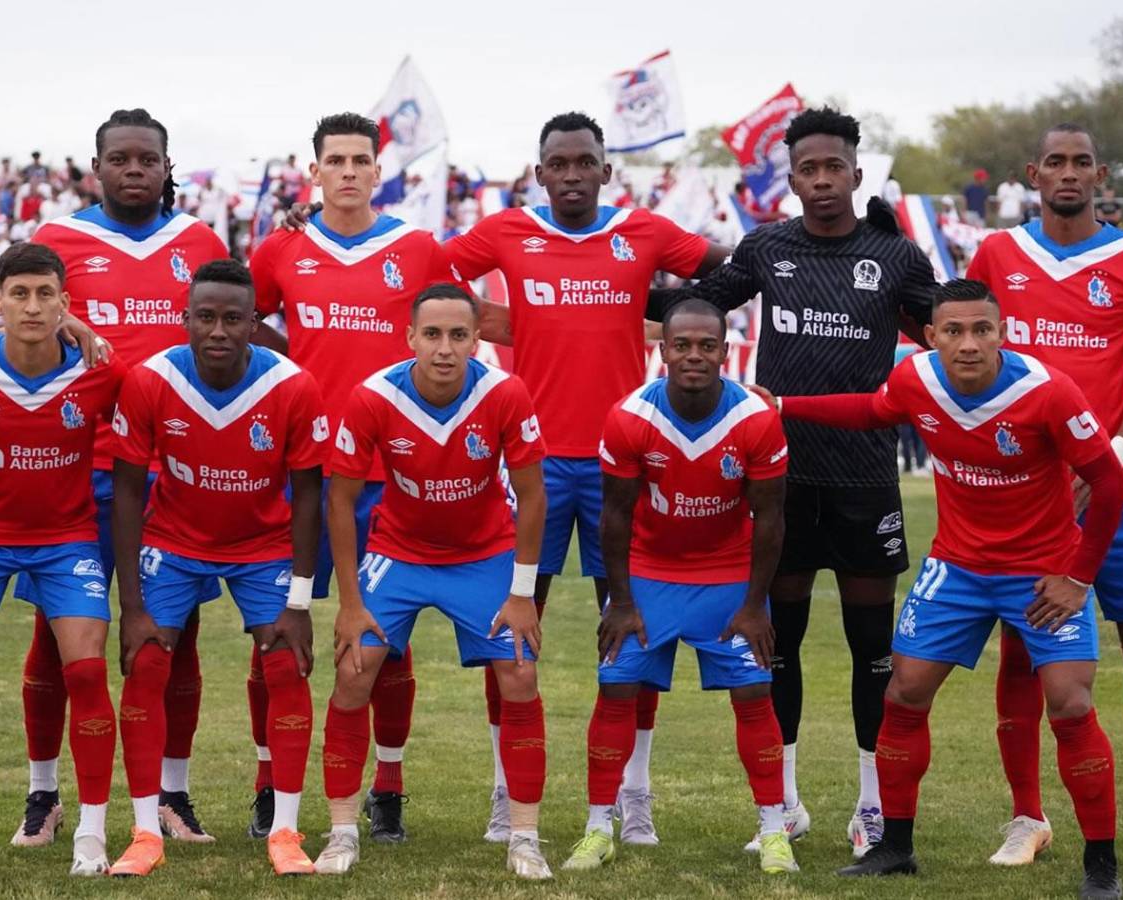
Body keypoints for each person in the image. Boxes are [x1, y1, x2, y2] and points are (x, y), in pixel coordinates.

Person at [760, 278, 1123, 899]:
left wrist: (1077, 577)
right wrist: (784, 405)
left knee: (1069, 703)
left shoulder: (1047, 392)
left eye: (982, 330)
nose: (969, 343)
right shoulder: (916, 381)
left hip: (1042, 571)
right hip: (958, 567)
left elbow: (1109, 484)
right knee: (904, 692)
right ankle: (895, 849)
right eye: (954, 331)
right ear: (931, 337)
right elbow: (873, 411)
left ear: (1001, 333)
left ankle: (1101, 868)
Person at [645, 106, 936, 858]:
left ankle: (873, 808)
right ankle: (789, 803)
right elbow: (694, 307)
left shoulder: (895, 256)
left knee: (873, 644)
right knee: (779, 641)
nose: (821, 180)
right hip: (779, 481)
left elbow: (953, 327)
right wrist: (607, 287)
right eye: (807, 168)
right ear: (792, 177)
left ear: (856, 172)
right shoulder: (767, 247)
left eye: (833, 166)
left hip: (867, 480)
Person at [443, 111, 729, 843]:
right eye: (558, 164)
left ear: (607, 171)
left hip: (622, 464)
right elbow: (426, 275)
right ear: (539, 174)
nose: (572, 174)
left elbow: (725, 274)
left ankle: (633, 794)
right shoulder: (507, 232)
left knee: (633, 624)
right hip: (530, 461)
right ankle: (508, 795)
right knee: (510, 623)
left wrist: (652, 312)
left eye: (584, 162)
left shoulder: (646, 233)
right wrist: (502, 324)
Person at [250, 112, 475, 842]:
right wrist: (291, 365)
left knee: (387, 638)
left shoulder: (416, 248)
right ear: (312, 171)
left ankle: (389, 788)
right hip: (302, 470)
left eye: (359, 160)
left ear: (380, 171)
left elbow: (457, 330)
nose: (347, 170)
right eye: (334, 160)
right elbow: (234, 320)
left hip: (391, 473)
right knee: (276, 636)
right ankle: (266, 788)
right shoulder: (281, 246)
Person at [9, 108, 229, 849]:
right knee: (55, 633)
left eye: (148, 159)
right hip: (77, 466)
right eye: (121, 159)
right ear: (95, 167)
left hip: (174, 471)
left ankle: (173, 790)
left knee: (174, 637)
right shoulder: (57, 242)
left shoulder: (198, 241)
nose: (135, 170)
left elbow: (229, 328)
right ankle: (43, 795)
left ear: (167, 168)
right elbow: (20, 330)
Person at [315, 283, 551, 879]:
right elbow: (340, 501)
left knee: (520, 673)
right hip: (399, 551)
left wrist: (522, 593)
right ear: (410, 337)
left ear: (477, 339)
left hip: (484, 552)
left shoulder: (505, 392)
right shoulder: (373, 396)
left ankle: (524, 836)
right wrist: (348, 603)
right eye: (432, 334)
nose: (444, 348)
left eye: (458, 335)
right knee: (353, 668)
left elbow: (531, 494)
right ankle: (342, 831)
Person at [107, 259, 327, 877]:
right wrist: (132, 607)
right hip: (174, 541)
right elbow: (127, 490)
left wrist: (301, 602)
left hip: (262, 547)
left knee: (285, 662)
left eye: (234, 318)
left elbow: (308, 493)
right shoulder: (151, 380)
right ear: (185, 320)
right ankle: (145, 830)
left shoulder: (292, 385)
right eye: (206, 317)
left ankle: (285, 830)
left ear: (256, 324)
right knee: (147, 660)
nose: (219, 330)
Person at [560, 298, 794, 875]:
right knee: (616, 689)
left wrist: (753, 604)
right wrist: (620, 600)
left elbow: (771, 517)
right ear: (662, 351)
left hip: (727, 574)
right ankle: (598, 828)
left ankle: (773, 829)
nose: (695, 356)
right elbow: (613, 515)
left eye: (707, 346)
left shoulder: (757, 420)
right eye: (682, 345)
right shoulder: (629, 416)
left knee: (753, 694)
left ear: (725, 350)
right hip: (650, 570)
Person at [966, 123, 1123, 867]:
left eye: (1082, 162)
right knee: (1022, 662)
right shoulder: (999, 254)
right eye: (1056, 162)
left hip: (1118, 496)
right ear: (1033, 174)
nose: (1069, 173)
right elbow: (965, 351)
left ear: (1101, 175)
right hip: (1028, 505)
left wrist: (1113, 457)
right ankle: (1026, 817)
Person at [0, 242, 127, 877]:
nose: (33, 306)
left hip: (67, 538)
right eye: (19, 293)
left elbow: (151, 404)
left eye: (47, 295)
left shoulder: (101, 372)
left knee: (86, 675)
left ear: (67, 304)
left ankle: (92, 837)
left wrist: (84, 332)